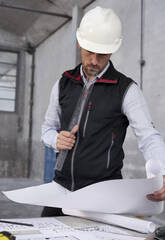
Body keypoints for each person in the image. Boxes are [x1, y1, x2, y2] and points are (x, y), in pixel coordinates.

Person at [41, 6, 165, 216]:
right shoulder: (63, 83)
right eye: (89, 52)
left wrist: (162, 170)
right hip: (61, 190)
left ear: (112, 50)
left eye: (102, 54)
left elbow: (148, 136)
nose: (94, 61)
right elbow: (47, 129)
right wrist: (56, 140)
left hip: (104, 194)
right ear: (80, 43)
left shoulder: (127, 90)